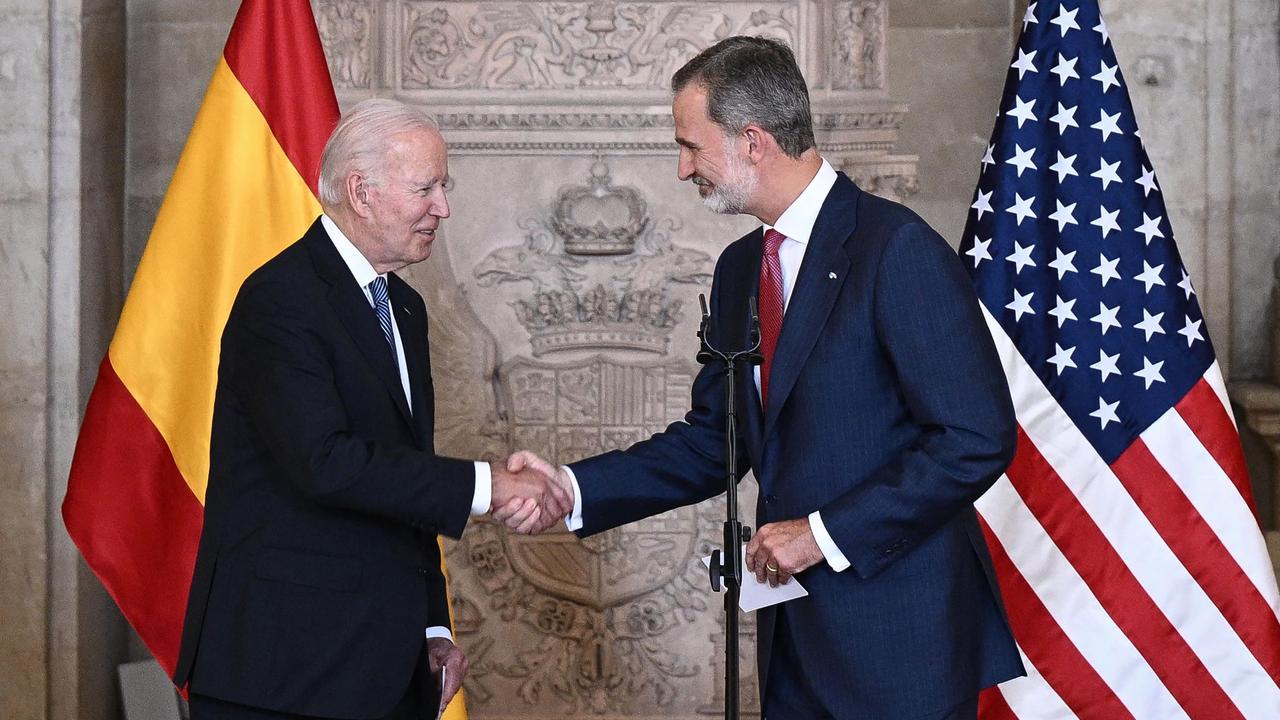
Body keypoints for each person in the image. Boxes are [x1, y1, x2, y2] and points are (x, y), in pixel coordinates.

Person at [506, 37, 1024, 719]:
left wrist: (821, 535)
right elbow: (712, 442)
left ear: (753, 140)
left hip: (901, 643)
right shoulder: (741, 269)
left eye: (691, 145)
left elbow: (976, 436)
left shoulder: (896, 249)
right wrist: (572, 487)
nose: (682, 166)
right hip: (793, 646)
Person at [173, 99, 569, 720]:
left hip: (384, 667)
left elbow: (401, 475)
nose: (443, 207)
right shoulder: (280, 299)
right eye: (426, 188)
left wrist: (432, 629)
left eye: (445, 186)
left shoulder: (403, 309)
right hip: (284, 672)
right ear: (361, 191)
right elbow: (324, 462)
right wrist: (488, 485)